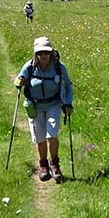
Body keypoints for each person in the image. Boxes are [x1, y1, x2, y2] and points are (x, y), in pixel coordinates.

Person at [14, 36, 73, 182]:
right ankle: (43, 165)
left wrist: (68, 103)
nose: (43, 56)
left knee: (51, 135)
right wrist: (18, 82)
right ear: (35, 54)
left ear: (51, 52)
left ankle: (54, 164)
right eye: (40, 53)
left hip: (53, 104)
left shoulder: (59, 67)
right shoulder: (29, 66)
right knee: (40, 138)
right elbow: (19, 80)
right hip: (35, 106)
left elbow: (67, 86)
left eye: (46, 52)